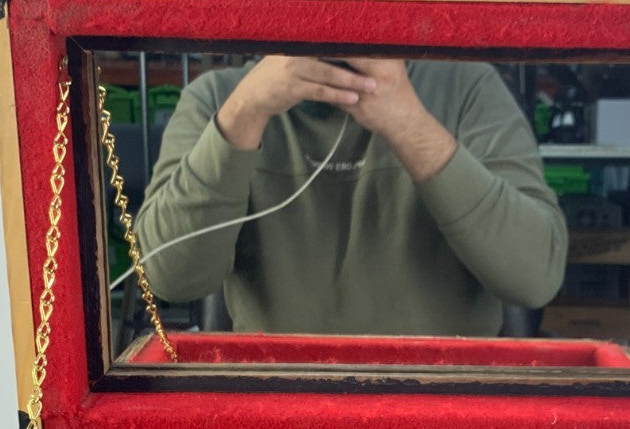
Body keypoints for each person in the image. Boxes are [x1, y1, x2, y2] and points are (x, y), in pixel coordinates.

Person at [135, 55, 567, 336]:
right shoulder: (219, 96)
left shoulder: (467, 86)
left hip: (442, 416)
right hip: (273, 417)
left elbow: (534, 277)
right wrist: (245, 112)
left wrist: (408, 123)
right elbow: (169, 277)